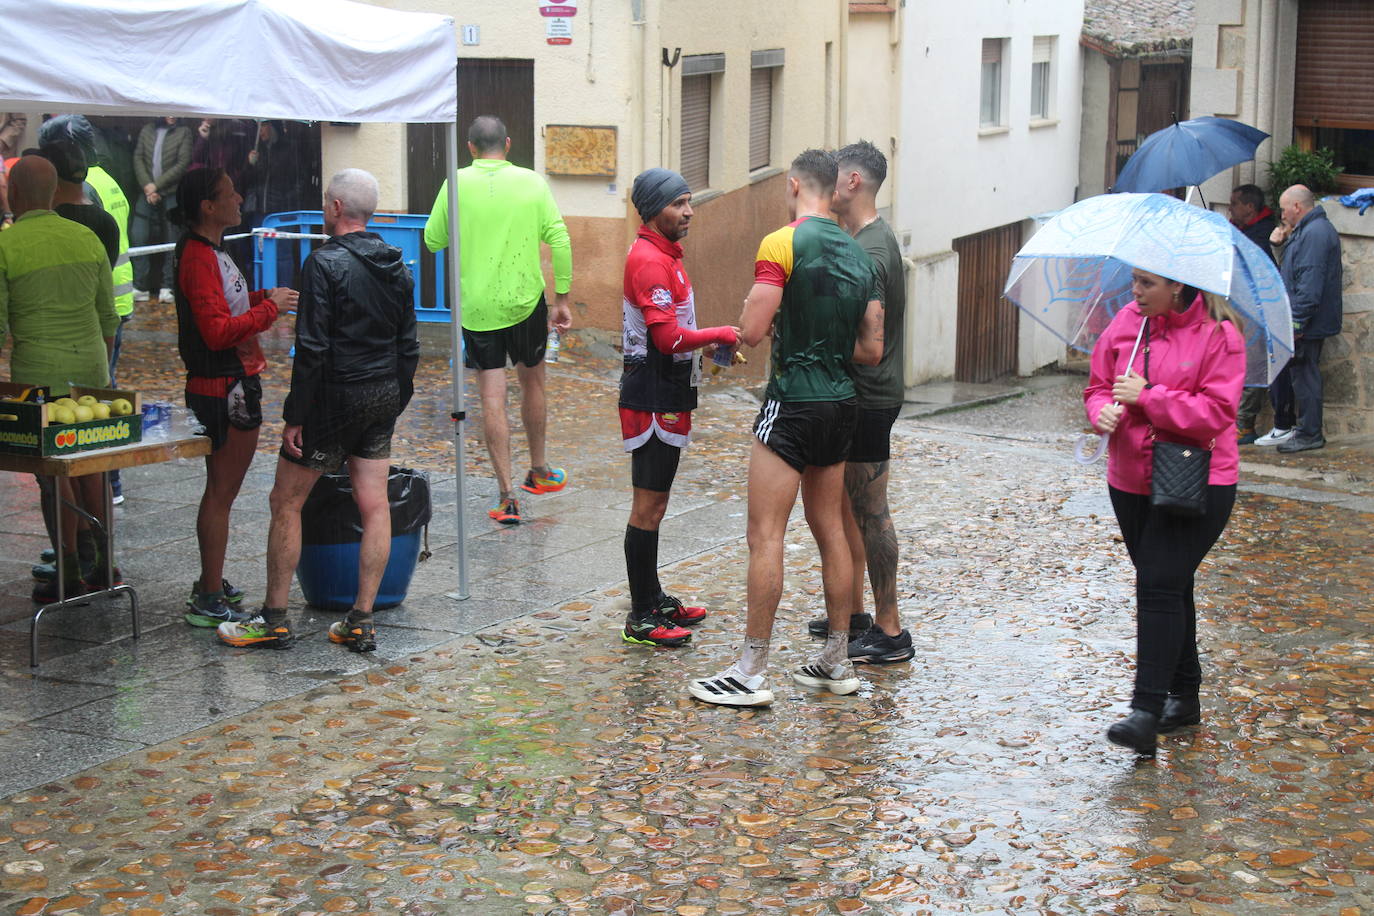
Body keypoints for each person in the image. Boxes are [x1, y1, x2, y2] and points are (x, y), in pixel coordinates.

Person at [687, 149, 884, 708]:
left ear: (796, 185)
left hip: (793, 400)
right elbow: (871, 348)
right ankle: (836, 658)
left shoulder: (782, 242)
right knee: (832, 532)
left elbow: (751, 330)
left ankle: (751, 670)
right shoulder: (860, 254)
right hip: (841, 402)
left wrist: (780, 322)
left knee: (765, 534)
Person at [216, 170, 419, 653]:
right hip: (381, 391)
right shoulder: (397, 263)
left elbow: (311, 348)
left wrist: (295, 416)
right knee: (374, 506)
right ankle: (361, 619)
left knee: (285, 501)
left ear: (333, 207)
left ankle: (275, 618)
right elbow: (407, 344)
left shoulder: (323, 263)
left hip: (334, 395)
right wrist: (396, 395)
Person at [1085, 270, 1245, 756]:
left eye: (1146, 283)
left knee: (1157, 583)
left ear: (1177, 286)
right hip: (1129, 478)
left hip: (1198, 479)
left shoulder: (1220, 335)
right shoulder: (1125, 325)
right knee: (1170, 584)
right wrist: (1101, 412)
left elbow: (1217, 411)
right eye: (1134, 281)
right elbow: (1096, 387)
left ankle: (1145, 712)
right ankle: (1186, 696)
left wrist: (1149, 397)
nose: (1135, 291)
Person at [423, 115, 573, 525]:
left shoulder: (455, 184)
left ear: (470, 147)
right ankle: (539, 470)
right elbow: (560, 238)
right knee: (533, 383)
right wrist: (560, 297)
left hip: (479, 308)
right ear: (506, 144)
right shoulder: (531, 182)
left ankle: (507, 496)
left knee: (492, 396)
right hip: (526, 302)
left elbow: (433, 240)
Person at [618, 168, 740, 648]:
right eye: (679, 204)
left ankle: (653, 597)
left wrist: (705, 348)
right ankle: (640, 617)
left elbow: (671, 328)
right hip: (651, 395)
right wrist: (719, 334)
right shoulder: (650, 260)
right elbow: (667, 339)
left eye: (690, 202)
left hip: (666, 389)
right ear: (652, 211)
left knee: (658, 504)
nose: (689, 212)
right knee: (647, 507)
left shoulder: (666, 255)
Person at [173, 167, 296, 627]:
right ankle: (208, 592)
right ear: (208, 206)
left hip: (228, 383)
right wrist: (268, 310)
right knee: (221, 494)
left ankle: (211, 580)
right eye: (229, 194)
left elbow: (226, 307)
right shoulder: (199, 256)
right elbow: (217, 330)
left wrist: (266, 297)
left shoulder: (210, 251)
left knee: (219, 492)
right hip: (223, 386)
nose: (240, 198)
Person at [0, 155, 119, 602]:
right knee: (93, 463)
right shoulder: (86, 237)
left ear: (14, 194)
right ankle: (105, 562)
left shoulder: (7, 246)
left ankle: (67, 563)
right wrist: (99, 373)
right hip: (91, 368)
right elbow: (108, 316)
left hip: (36, 374)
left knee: (54, 472)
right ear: (52, 192)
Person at [818, 140, 913, 665]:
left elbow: (871, 350)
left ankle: (890, 629)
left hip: (871, 398)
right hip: (858, 395)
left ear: (853, 182)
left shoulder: (872, 250)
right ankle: (854, 616)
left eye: (833, 176)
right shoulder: (860, 236)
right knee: (848, 507)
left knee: (872, 511)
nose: (827, 184)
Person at [38, 115, 136, 504]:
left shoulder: (81, 190)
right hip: (116, 301)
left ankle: (105, 489)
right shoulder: (106, 179)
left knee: (90, 407)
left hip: (95, 311)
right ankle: (107, 488)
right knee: (101, 399)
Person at [1262, 184, 1343, 454]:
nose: (1282, 214)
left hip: (1308, 324)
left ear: (1297, 206)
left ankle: (1309, 433)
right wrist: (1278, 245)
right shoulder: (1306, 231)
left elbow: (1309, 285)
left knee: (1305, 375)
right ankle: (1305, 430)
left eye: (1284, 208)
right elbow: (1293, 271)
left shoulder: (1315, 233)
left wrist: (1295, 324)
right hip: (1305, 321)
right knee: (1301, 375)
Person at [1228, 184, 1277, 445]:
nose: (1231, 208)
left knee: (1253, 365)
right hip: (1238, 309)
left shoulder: (1263, 233)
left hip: (1257, 311)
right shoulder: (1242, 230)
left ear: (1249, 206)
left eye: (1234, 203)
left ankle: (1245, 425)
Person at [132, 116, 193, 304]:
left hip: (170, 191)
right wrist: (148, 186)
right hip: (147, 191)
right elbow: (138, 157)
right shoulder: (148, 129)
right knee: (138, 235)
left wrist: (156, 186)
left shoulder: (184, 132)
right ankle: (140, 285)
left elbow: (182, 163)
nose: (171, 115)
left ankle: (168, 286)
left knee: (172, 239)